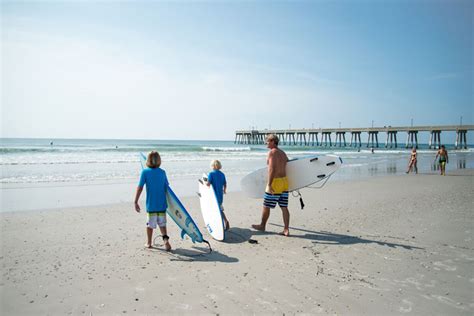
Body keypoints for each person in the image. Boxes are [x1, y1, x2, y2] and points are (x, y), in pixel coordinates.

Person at [252, 134, 291, 236]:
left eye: (268, 141)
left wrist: (269, 184)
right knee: (284, 206)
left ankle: (262, 225)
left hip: (276, 182)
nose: (266, 142)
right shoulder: (283, 153)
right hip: (284, 182)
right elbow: (288, 163)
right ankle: (286, 229)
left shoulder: (272, 153)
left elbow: (272, 169)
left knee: (266, 206)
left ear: (273, 141)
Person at [134, 151, 171, 251]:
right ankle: (166, 241)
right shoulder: (163, 172)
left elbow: (140, 187)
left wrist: (136, 201)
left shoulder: (145, 172)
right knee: (162, 225)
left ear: (148, 160)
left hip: (151, 205)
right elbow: (167, 188)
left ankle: (149, 242)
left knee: (150, 226)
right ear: (159, 160)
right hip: (162, 205)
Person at [206, 160, 229, 230]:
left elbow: (208, 184)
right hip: (220, 195)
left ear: (213, 166)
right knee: (219, 209)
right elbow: (225, 184)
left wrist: (204, 182)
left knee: (215, 210)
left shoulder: (211, 174)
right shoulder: (222, 174)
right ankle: (224, 221)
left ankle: (223, 222)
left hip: (213, 196)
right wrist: (224, 190)